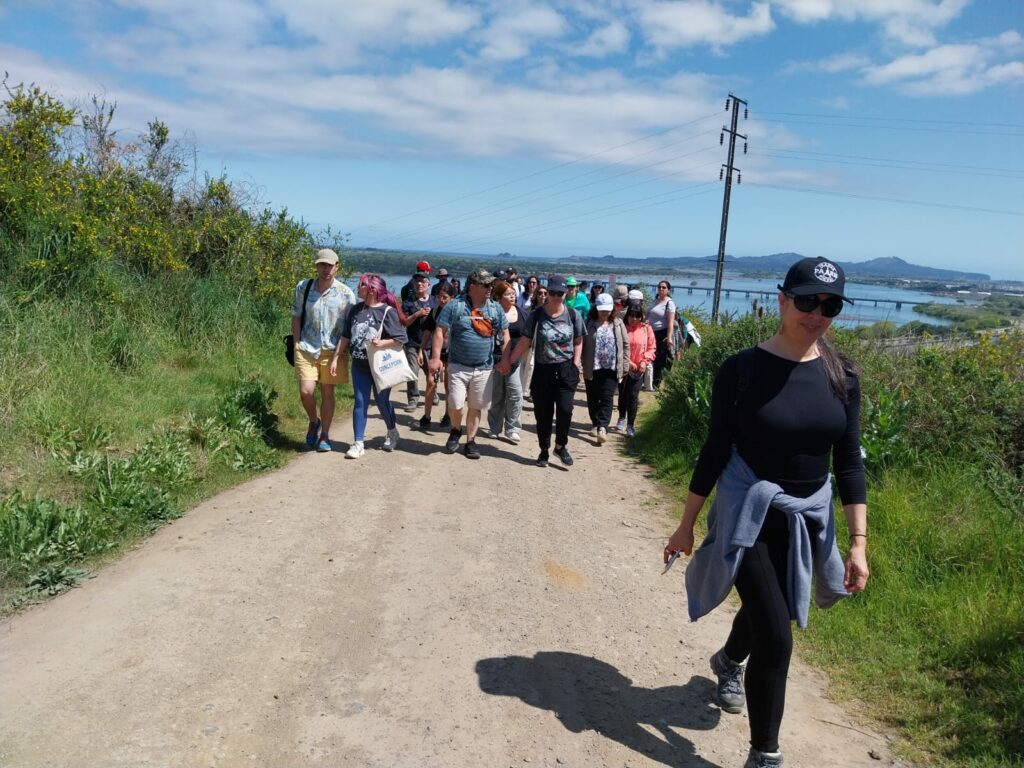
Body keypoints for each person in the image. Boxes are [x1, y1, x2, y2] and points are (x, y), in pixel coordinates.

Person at [663, 257, 869, 768]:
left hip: (807, 518)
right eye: (806, 301)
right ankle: (765, 755)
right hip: (747, 512)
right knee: (777, 633)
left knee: (764, 612)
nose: (817, 313)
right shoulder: (741, 370)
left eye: (830, 305)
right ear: (782, 299)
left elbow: (847, 461)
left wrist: (859, 543)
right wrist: (687, 524)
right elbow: (714, 450)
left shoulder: (842, 376)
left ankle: (729, 659)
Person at [506, 275, 585, 468]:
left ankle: (560, 446)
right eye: (553, 293)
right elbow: (525, 341)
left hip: (566, 369)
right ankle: (544, 449)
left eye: (560, 293)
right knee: (543, 413)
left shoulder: (573, 315)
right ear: (547, 293)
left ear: (565, 293)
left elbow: (579, 340)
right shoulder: (537, 315)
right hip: (543, 370)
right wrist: (509, 361)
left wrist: (575, 363)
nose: (557, 297)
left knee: (566, 410)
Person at [429, 269, 509, 459]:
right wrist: (435, 357)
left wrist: (506, 359)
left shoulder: (495, 308)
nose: (491, 288)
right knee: (456, 403)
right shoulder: (455, 306)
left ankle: (471, 441)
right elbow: (440, 330)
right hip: (457, 365)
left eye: (491, 285)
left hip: (484, 367)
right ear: (473, 287)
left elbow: (505, 333)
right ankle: (456, 429)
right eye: (486, 285)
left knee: (476, 406)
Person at [329, 274, 408, 458]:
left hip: (380, 368)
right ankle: (358, 443)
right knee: (360, 402)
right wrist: (335, 358)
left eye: (361, 285)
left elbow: (401, 338)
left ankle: (392, 431)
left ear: (371, 289)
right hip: (359, 365)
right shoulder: (355, 310)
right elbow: (346, 336)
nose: (358, 288)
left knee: (381, 402)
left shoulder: (387, 312)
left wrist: (383, 343)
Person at [290, 248, 356, 452]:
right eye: (322, 264)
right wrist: (297, 342)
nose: (325, 269)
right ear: (316, 266)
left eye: (329, 265)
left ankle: (325, 435)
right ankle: (313, 421)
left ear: (337, 267)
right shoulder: (304, 287)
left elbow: (351, 324)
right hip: (307, 347)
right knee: (306, 390)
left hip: (333, 351)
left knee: (328, 391)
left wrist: (344, 350)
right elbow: (296, 315)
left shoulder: (346, 294)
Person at [582, 293, 629, 445]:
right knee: (593, 397)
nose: (605, 313)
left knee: (607, 397)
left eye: (607, 310)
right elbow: (581, 344)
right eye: (602, 310)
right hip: (593, 366)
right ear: (596, 308)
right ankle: (595, 423)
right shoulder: (588, 323)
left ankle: (603, 427)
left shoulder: (618, 323)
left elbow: (626, 344)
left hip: (612, 367)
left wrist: (625, 364)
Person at [486, 279, 526, 444]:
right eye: (508, 294)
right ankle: (494, 427)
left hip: (515, 359)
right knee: (497, 394)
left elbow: (526, 337)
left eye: (513, 294)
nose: (512, 297)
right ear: (499, 297)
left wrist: (511, 358)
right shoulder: (491, 312)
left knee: (515, 393)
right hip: (495, 358)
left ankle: (513, 428)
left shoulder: (523, 314)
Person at [616, 301, 656, 437]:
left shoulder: (646, 329)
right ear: (627, 315)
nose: (634, 319)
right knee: (623, 394)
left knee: (633, 396)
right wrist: (628, 362)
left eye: (637, 316)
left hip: (639, 369)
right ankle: (621, 416)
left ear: (641, 317)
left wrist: (645, 361)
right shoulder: (622, 328)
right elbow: (619, 348)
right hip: (624, 367)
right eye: (631, 315)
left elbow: (652, 347)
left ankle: (630, 426)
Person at [419, 282, 455, 430]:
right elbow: (427, 332)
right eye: (439, 297)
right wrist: (420, 350)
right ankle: (426, 416)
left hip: (452, 354)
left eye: (445, 297)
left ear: (452, 298)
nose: (441, 300)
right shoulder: (434, 312)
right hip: (436, 353)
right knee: (431, 382)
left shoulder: (456, 313)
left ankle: (448, 415)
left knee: (448, 385)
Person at [400, 272, 435, 411]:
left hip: (431, 344)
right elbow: (404, 323)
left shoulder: (435, 301)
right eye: (416, 282)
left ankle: (432, 395)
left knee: (431, 373)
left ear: (428, 284)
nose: (419, 284)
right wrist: (417, 314)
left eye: (422, 281)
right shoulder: (408, 303)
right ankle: (413, 399)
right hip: (412, 343)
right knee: (412, 372)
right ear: (413, 285)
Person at [519, 283, 548, 399]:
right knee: (529, 367)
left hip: (544, 345)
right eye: (540, 293)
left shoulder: (550, 311)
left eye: (545, 294)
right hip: (531, 344)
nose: (543, 296)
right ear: (536, 296)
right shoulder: (528, 311)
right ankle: (528, 390)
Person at [647, 280, 676, 389]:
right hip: (651, 333)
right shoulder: (655, 301)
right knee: (651, 357)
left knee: (659, 358)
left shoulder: (669, 303)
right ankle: (649, 381)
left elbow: (670, 322)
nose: (661, 289)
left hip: (661, 333)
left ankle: (656, 383)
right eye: (659, 287)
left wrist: (669, 338)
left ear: (668, 290)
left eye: (664, 287)